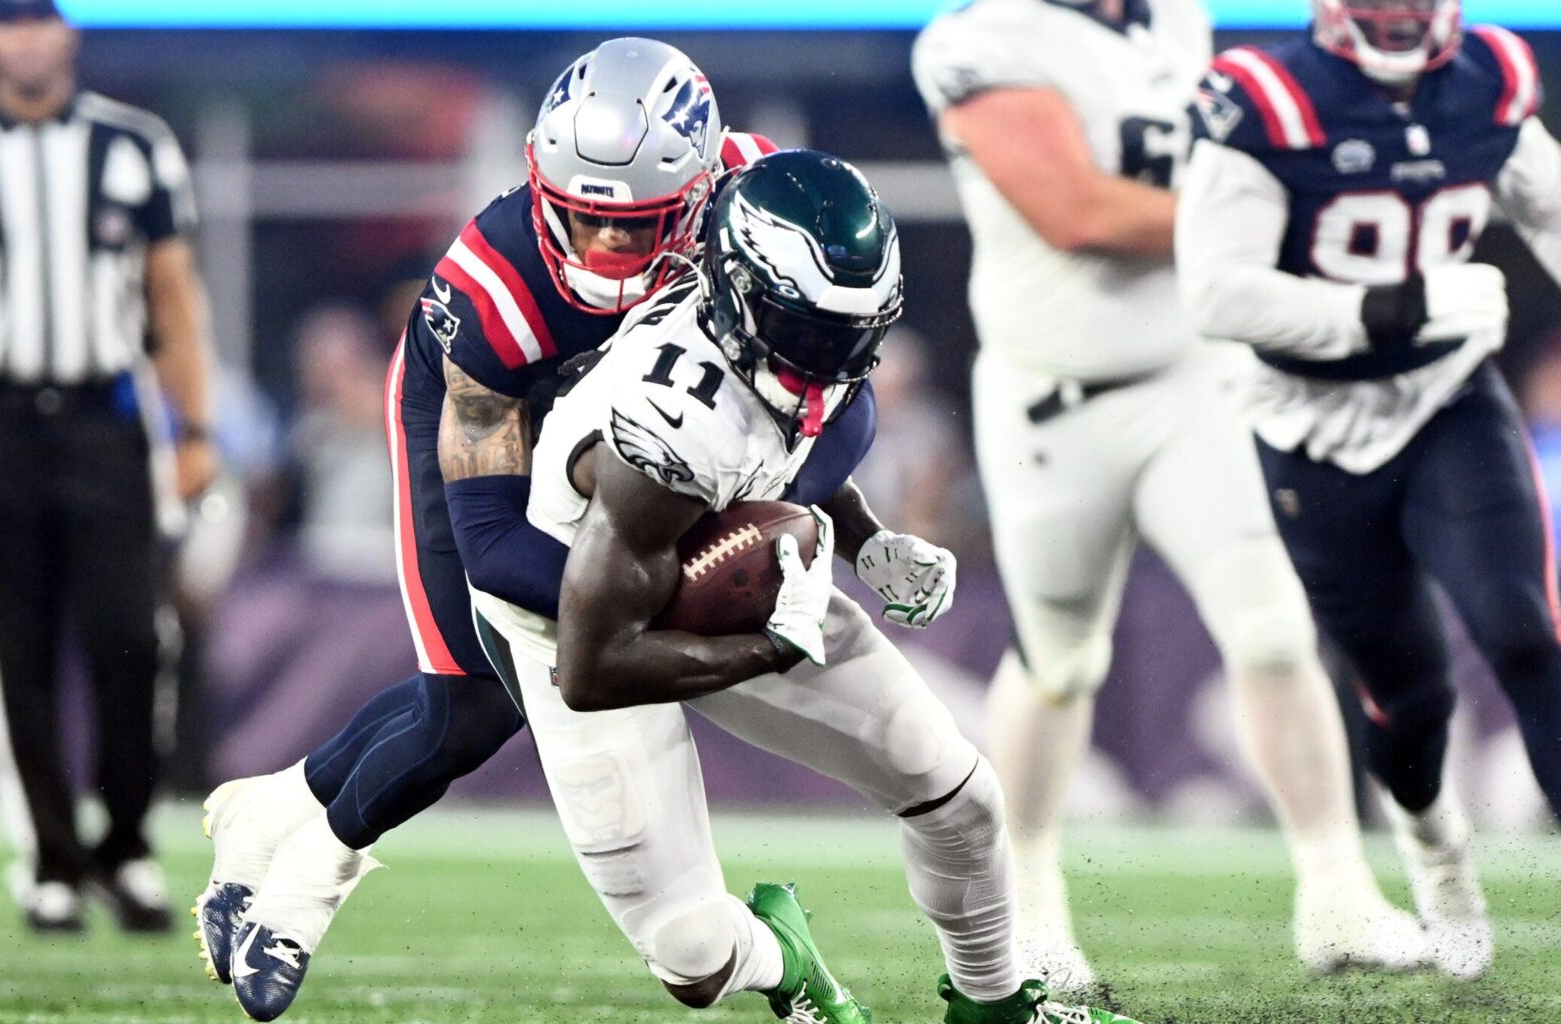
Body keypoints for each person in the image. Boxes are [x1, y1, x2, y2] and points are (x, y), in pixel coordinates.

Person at [194, 39, 812, 1020]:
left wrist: (792, 490)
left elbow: (839, 384)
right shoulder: (493, 295)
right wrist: (641, 592)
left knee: (480, 705)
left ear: (697, 198)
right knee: (469, 705)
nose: (603, 253)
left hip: (607, 427)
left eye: (634, 227)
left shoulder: (753, 208)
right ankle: (301, 888)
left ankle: (266, 809)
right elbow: (488, 546)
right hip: (485, 418)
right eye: (578, 218)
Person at [473, 150, 1137, 1024]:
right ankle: (785, 959)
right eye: (820, 335)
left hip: (726, 568)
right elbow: (594, 668)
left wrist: (868, 543)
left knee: (961, 798)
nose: (842, 357)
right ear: (742, 297)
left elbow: (781, 455)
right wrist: (770, 643)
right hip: (573, 624)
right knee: (693, 955)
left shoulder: (798, 348)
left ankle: (997, 1004)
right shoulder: (670, 437)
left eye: (857, 333)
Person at [912, 0, 1430, 988]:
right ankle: (1029, 903)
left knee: (1274, 626)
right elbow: (1078, 212)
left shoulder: (1179, 18)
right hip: (1053, 398)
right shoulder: (980, 37)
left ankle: (1337, 892)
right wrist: (1278, 222)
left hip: (1197, 378)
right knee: (1060, 656)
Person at [1176, 0, 1561, 980]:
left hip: (1446, 397)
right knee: (1410, 695)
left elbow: (1551, 209)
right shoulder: (1267, 96)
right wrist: (1392, 305)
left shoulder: (1491, 75)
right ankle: (1436, 850)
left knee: (1524, 629)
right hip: (1310, 423)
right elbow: (1217, 292)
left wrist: (1425, 318)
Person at [0, 0, 219, 933]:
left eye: (42, 18)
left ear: (68, 34)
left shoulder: (135, 145)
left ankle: (129, 846)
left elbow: (173, 298)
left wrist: (197, 430)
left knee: (130, 641)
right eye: (8, 20)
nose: (26, 37)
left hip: (108, 417)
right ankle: (52, 862)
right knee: (15, 654)